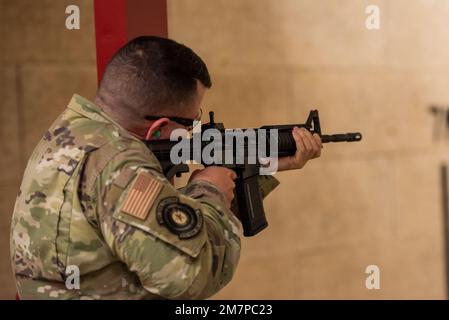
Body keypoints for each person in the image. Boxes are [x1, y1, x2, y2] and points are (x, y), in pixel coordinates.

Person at [10, 36, 322, 299]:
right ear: (159, 127)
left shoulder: (72, 131)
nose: (194, 130)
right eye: (192, 122)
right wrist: (209, 189)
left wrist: (261, 166)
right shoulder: (122, 166)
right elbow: (189, 275)